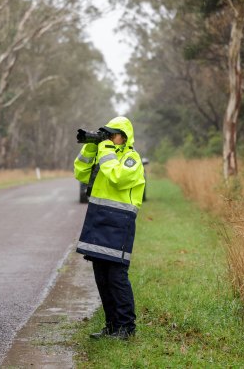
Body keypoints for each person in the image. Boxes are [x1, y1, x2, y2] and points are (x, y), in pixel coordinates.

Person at [73, 116, 145, 340]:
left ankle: (127, 328)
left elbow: (117, 178)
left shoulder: (131, 158)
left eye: (111, 134)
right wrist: (90, 148)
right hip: (98, 218)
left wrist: (105, 151)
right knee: (101, 276)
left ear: (123, 137)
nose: (107, 137)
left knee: (116, 276)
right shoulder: (105, 155)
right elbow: (80, 174)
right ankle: (112, 326)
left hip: (119, 221)